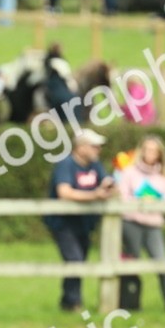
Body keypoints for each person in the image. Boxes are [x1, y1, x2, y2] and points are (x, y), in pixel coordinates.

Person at [44, 129, 115, 312]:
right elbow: (64, 192)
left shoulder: (94, 165)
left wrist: (109, 186)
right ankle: (74, 303)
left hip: (84, 223)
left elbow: (105, 181)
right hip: (64, 223)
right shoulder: (66, 165)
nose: (98, 150)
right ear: (81, 147)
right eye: (94, 146)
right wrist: (95, 195)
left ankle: (67, 301)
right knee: (75, 260)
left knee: (79, 261)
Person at [118, 135, 165, 312]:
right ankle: (130, 303)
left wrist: (154, 203)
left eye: (154, 150)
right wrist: (140, 202)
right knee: (131, 263)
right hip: (132, 222)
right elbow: (123, 195)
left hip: (153, 224)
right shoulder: (129, 172)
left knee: (161, 262)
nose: (150, 153)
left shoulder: (163, 174)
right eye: (147, 149)